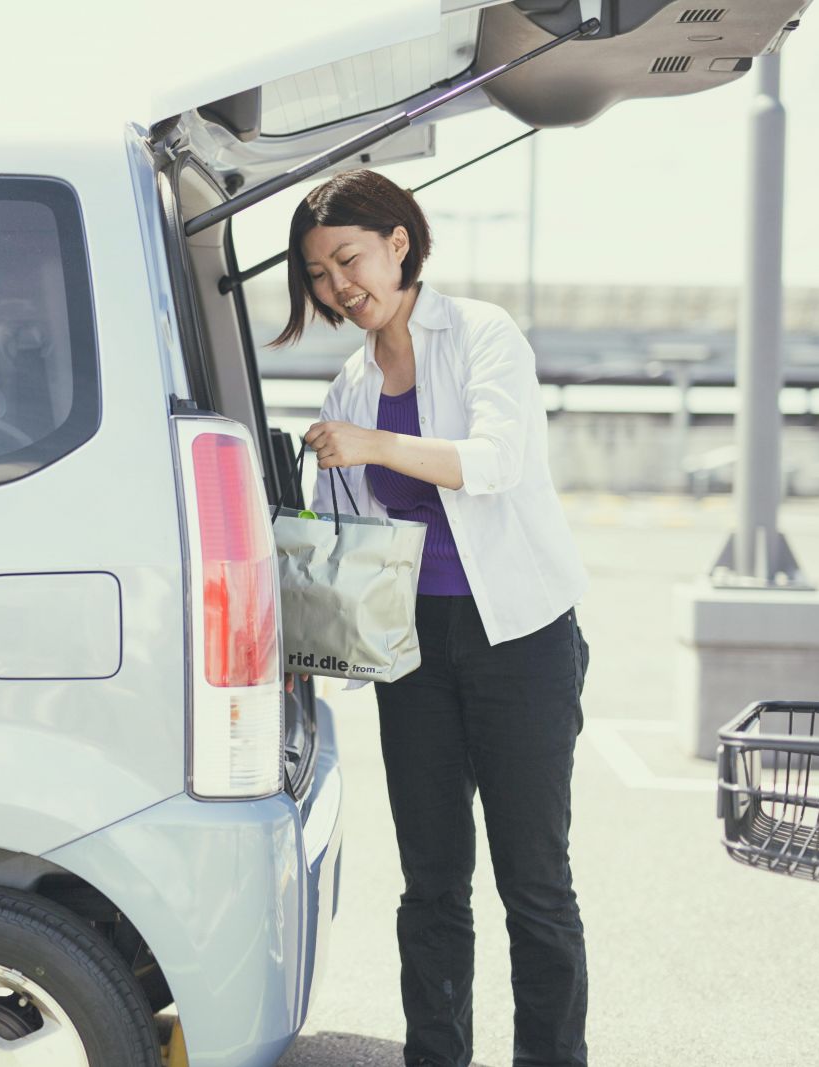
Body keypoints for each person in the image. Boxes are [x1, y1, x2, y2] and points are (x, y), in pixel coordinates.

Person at [275, 169, 591, 1067]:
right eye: (321, 274)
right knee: (431, 885)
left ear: (399, 243)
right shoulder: (348, 385)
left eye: (350, 258)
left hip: (520, 636)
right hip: (411, 650)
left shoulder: (482, 333)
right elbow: (349, 542)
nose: (340, 285)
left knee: (535, 884)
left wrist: (373, 445)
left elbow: (494, 460)